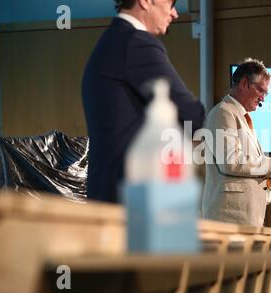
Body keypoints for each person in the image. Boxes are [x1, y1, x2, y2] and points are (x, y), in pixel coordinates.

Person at [82, 0, 205, 203]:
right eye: (171, 3)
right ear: (146, 1)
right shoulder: (135, 42)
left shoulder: (112, 41)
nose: (175, 13)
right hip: (131, 195)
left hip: (108, 191)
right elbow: (193, 115)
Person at [201, 58, 271, 227]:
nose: (263, 99)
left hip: (247, 217)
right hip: (230, 218)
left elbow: (245, 170)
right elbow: (231, 162)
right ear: (244, 83)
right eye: (261, 91)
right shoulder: (223, 113)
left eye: (266, 94)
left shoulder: (243, 118)